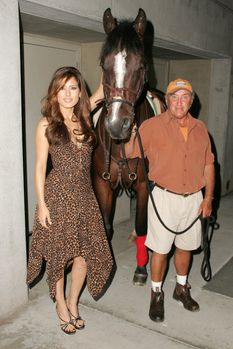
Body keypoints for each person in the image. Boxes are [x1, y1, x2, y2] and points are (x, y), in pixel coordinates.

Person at [27, 66, 114, 334]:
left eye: (73, 88)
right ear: (55, 92)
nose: (67, 93)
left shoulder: (85, 116)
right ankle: (61, 306)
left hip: (85, 196)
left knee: (84, 256)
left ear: (79, 93)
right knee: (59, 255)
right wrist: (41, 204)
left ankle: (74, 302)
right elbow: (41, 167)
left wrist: (108, 59)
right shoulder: (46, 123)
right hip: (57, 196)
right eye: (62, 88)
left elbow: (104, 88)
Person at [125, 78, 215, 322]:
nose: (179, 102)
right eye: (174, 97)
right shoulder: (152, 126)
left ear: (191, 102)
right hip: (164, 198)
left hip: (193, 199)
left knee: (186, 247)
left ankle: (181, 288)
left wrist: (208, 198)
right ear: (167, 101)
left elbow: (208, 165)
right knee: (161, 251)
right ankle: (156, 293)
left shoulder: (200, 128)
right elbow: (130, 153)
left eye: (185, 97)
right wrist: (131, 134)